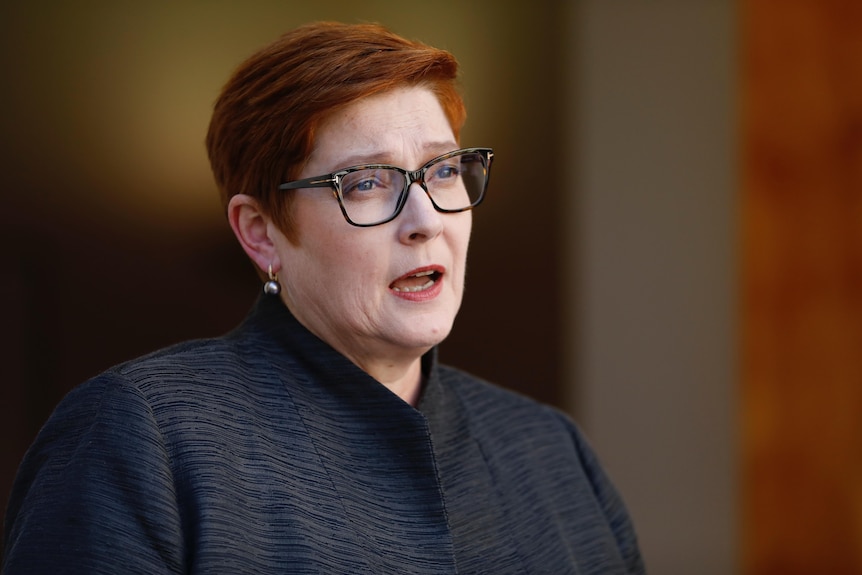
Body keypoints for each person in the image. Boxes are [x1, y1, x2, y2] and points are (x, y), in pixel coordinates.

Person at [2, 21, 645, 574]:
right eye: (367, 182)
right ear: (261, 234)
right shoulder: (140, 438)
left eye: (444, 170)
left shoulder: (550, 448)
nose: (425, 217)